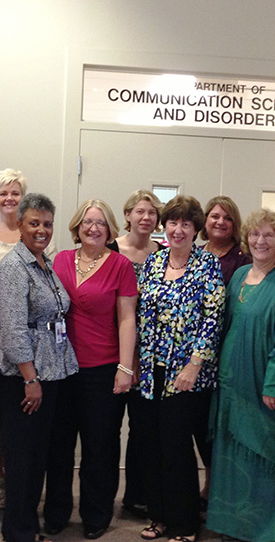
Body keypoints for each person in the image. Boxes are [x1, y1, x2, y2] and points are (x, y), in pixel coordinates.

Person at [206, 209, 275, 542]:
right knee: (235, 452)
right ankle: (239, 527)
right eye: (255, 235)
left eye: (269, 235)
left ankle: (271, 533)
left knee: (269, 453)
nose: (260, 241)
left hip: (266, 384)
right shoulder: (238, 276)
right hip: (233, 380)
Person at [0, 193, 78, 542]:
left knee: (38, 454)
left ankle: (29, 524)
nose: (41, 230)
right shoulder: (13, 267)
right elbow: (12, 329)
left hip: (51, 369)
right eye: (34, 223)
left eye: (47, 224)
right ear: (20, 226)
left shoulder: (45, 263)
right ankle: (17, 532)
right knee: (21, 455)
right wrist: (30, 378)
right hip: (22, 375)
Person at [43, 199, 137, 540]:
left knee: (100, 445)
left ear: (111, 229)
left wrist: (125, 367)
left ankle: (96, 515)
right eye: (86, 221)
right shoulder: (61, 260)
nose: (93, 227)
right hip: (62, 367)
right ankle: (55, 512)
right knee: (59, 444)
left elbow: (127, 319)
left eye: (100, 222)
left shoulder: (121, 266)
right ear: (76, 226)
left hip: (103, 367)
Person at [137, 195, 225, 542]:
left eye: (186, 224)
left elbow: (212, 319)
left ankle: (185, 521)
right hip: (150, 371)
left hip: (187, 374)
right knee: (150, 445)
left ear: (195, 228)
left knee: (176, 448)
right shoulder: (154, 262)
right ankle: (158, 514)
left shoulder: (208, 265)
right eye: (173, 222)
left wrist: (194, 364)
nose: (178, 229)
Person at [108, 189, 163, 518]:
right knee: (110, 426)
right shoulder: (112, 249)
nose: (146, 218)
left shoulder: (162, 253)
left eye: (152, 213)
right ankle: (103, 496)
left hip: (150, 353)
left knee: (144, 427)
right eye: (140, 212)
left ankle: (137, 495)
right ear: (127, 214)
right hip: (111, 350)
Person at [200, 195, 249, 286]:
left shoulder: (243, 258)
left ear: (234, 224)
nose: (221, 222)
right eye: (215, 217)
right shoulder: (195, 254)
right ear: (205, 221)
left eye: (228, 218)